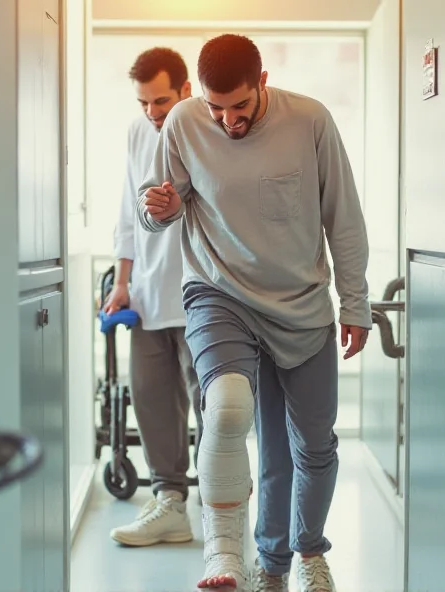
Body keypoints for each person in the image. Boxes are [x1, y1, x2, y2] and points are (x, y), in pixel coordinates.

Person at [137, 34, 371, 592]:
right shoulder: (185, 123)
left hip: (301, 304)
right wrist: (160, 210)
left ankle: (305, 552)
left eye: (239, 106)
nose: (227, 121)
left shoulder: (310, 120)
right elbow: (155, 209)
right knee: (228, 409)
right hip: (220, 294)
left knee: (310, 444)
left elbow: (343, 217)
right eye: (216, 108)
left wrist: (355, 302)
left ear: (262, 83)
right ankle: (244, 561)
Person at [105, 47, 203, 548]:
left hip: (201, 295)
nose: (152, 111)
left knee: (213, 407)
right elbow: (127, 210)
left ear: (187, 89)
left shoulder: (210, 127)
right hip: (145, 293)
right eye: (143, 102)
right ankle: (170, 502)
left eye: (161, 99)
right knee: (152, 403)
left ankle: (223, 499)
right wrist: (122, 281)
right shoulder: (136, 131)